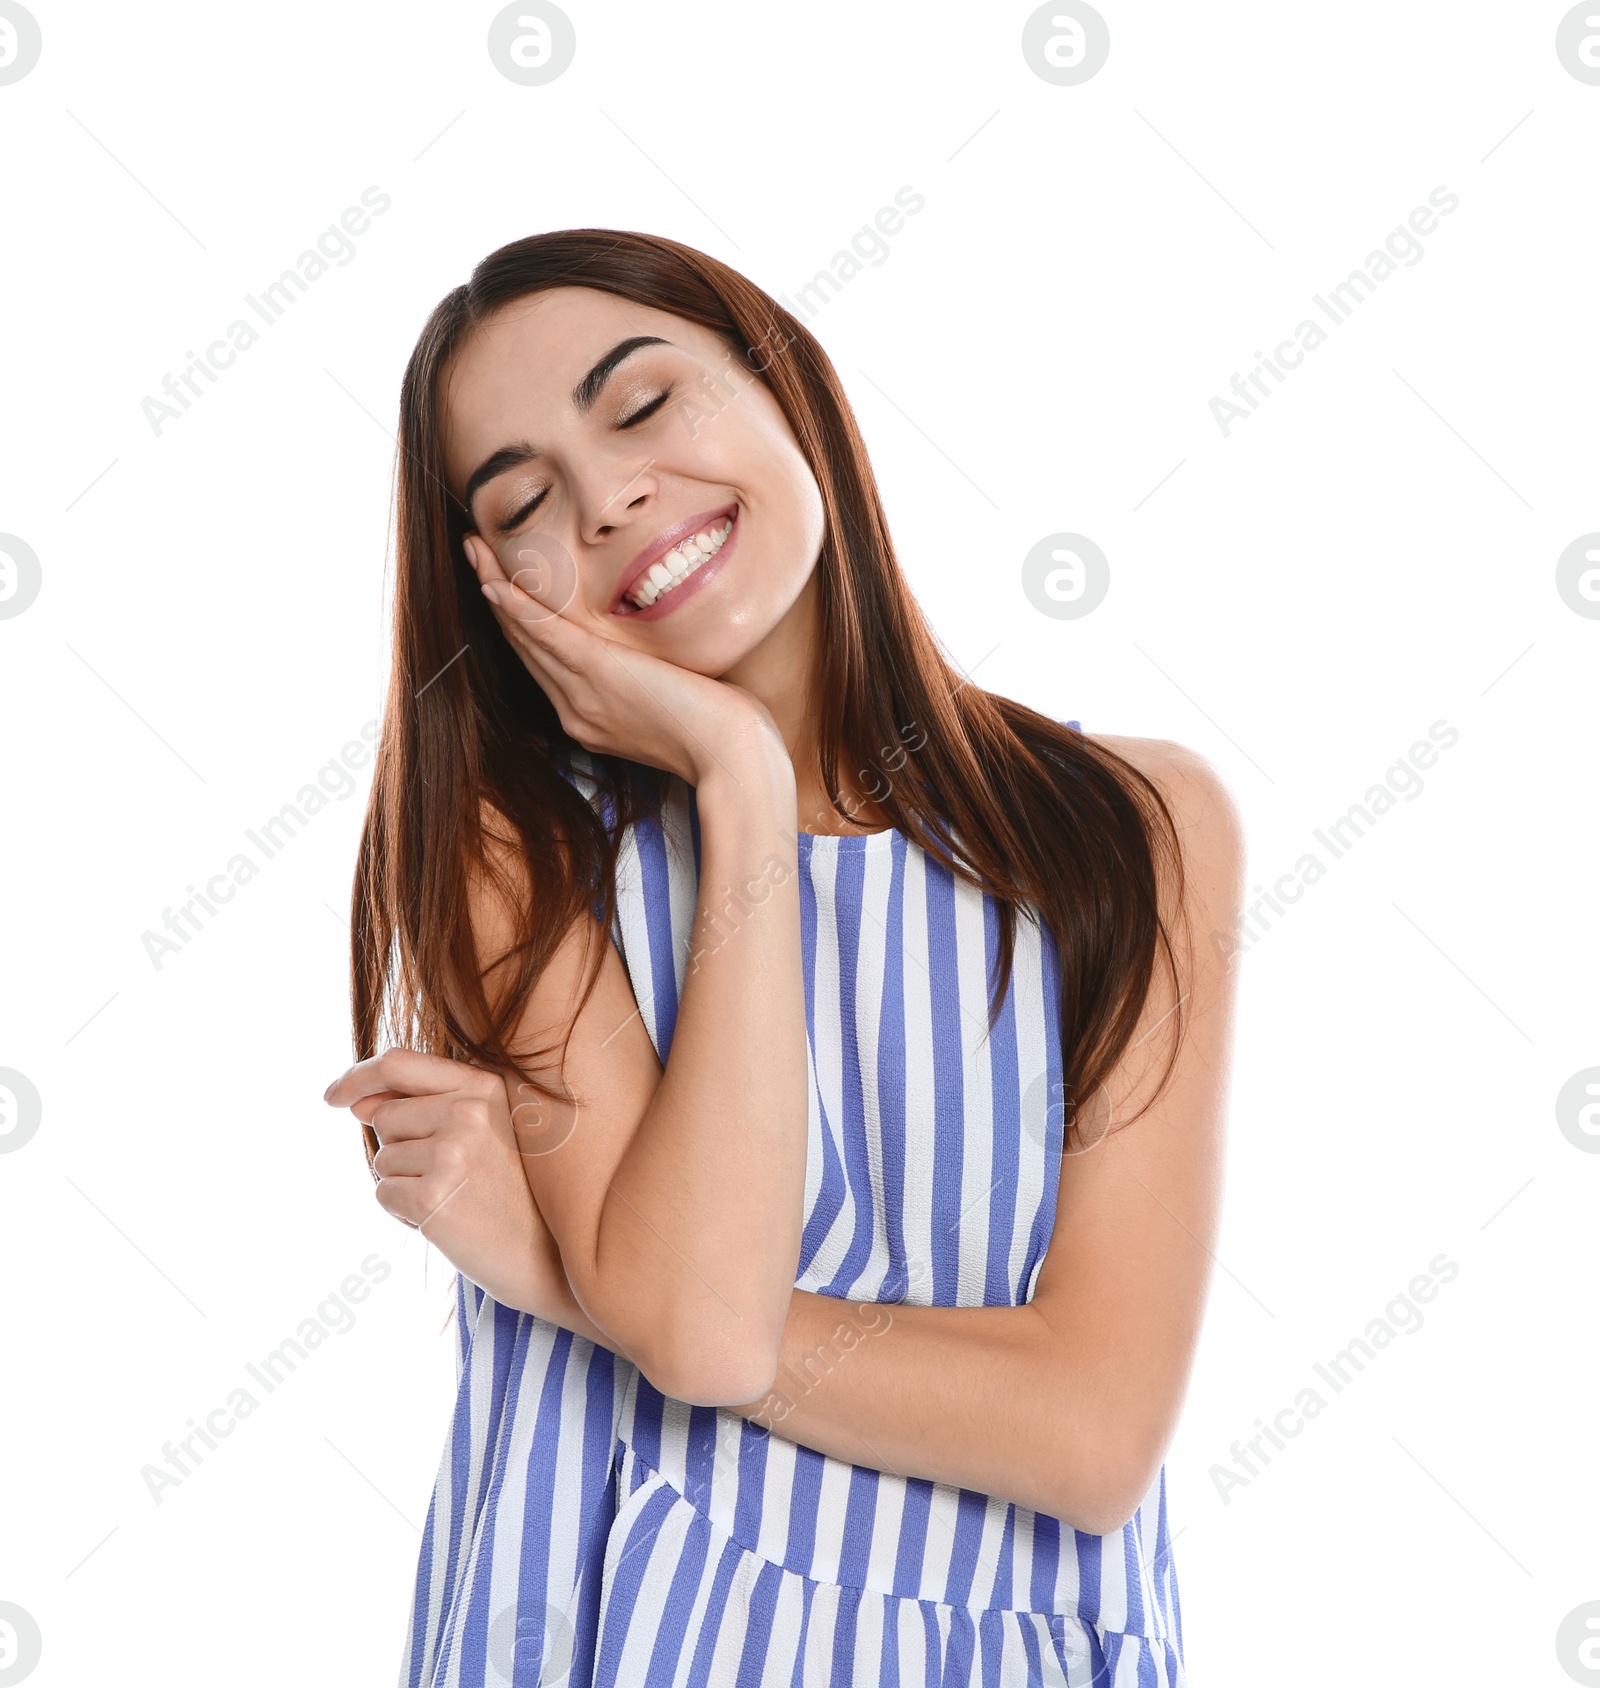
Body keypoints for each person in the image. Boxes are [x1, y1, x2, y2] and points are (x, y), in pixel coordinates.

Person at [323, 228, 1243, 1687]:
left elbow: (1090, 1436)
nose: (614, 496)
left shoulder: (1133, 829)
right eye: (524, 501)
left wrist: (570, 1279)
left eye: (639, 408)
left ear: (786, 387)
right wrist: (740, 782)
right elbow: (694, 1326)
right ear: (495, 582)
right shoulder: (520, 853)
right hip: (618, 1629)